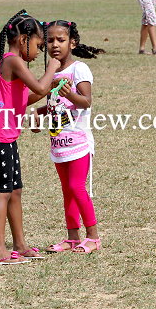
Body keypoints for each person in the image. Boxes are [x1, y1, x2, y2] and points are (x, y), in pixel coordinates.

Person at [0, 9, 61, 265]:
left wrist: (51, 86)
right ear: (24, 39)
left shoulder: (15, 64)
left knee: (15, 191)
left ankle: (20, 245)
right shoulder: (13, 61)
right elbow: (38, 86)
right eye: (38, 46)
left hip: (7, 134)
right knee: (3, 192)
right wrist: (52, 68)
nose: (39, 53)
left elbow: (26, 98)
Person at [34, 20, 105, 254]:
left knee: (76, 187)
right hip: (58, 142)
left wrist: (70, 93)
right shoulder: (51, 73)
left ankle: (93, 237)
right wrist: (38, 114)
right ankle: (72, 238)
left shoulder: (79, 69)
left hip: (78, 141)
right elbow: (55, 105)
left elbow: (86, 101)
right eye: (50, 40)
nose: (55, 45)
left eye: (61, 40)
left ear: (72, 43)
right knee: (67, 190)